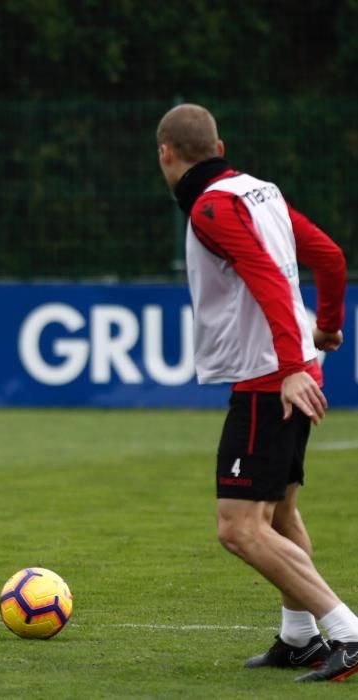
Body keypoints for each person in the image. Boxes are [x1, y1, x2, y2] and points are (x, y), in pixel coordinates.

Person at [156, 103, 358, 682]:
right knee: (280, 512)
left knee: (238, 526)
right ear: (218, 147)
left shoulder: (213, 205)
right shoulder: (257, 191)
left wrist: (294, 362)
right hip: (288, 368)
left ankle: (347, 632)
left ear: (165, 154)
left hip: (273, 378)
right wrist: (327, 327)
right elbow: (329, 256)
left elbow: (265, 275)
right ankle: (300, 638)